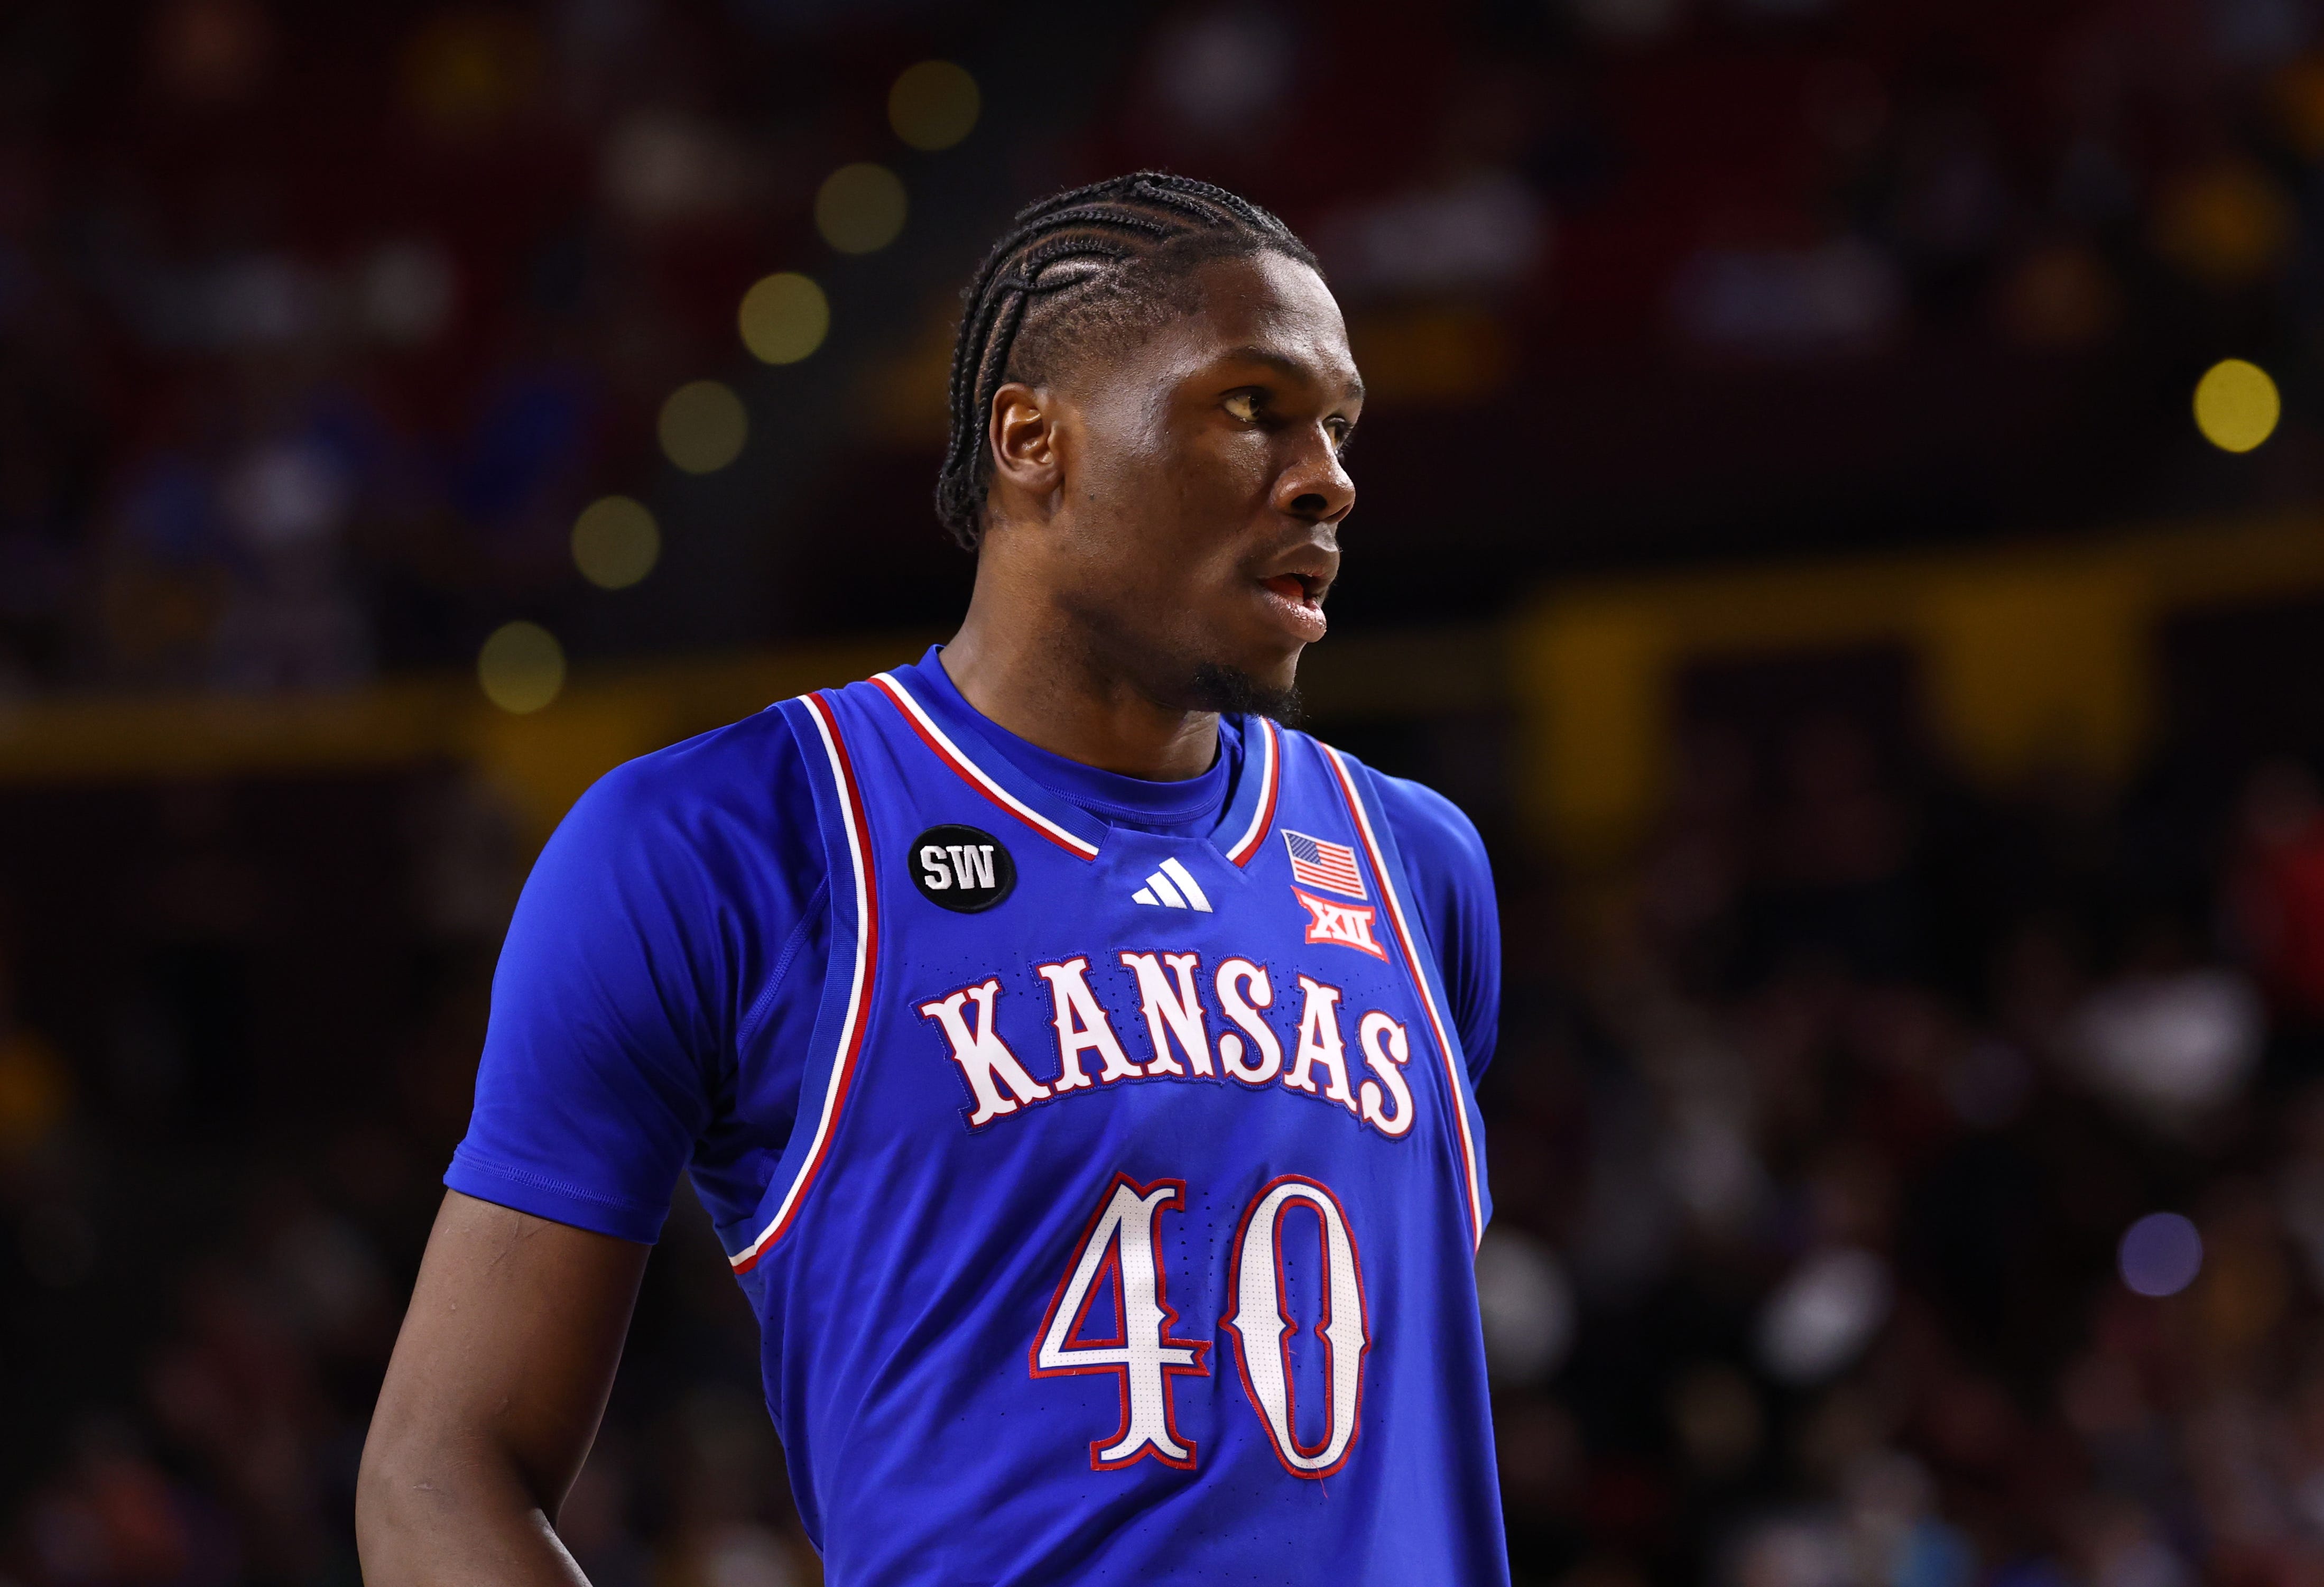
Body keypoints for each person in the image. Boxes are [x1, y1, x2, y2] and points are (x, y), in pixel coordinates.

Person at [357, 172, 1508, 1585]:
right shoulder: (730, 841)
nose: (1328, 475)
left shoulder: (1416, 866)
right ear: (1033, 443)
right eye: (1253, 407)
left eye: (1338, 426)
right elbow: (435, 1474)